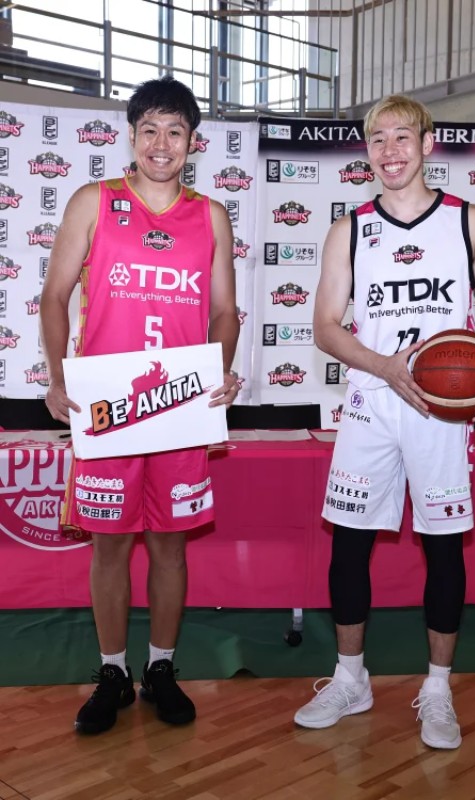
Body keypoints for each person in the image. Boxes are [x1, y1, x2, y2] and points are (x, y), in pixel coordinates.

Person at [294, 94, 475, 748]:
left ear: (426, 143)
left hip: (441, 412)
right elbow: (324, 327)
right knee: (349, 543)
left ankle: (438, 690)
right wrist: (386, 368)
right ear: (366, 151)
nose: (390, 150)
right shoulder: (349, 229)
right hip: (372, 402)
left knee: (443, 546)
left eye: (402, 137)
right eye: (377, 139)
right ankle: (350, 679)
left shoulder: (468, 221)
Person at [39, 76, 240, 735]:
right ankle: (112, 673)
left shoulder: (210, 215)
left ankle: (160, 668)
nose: (161, 143)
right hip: (108, 409)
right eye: (149, 129)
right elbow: (54, 295)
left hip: (180, 408)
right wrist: (57, 376)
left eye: (175, 131)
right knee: (109, 547)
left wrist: (219, 370)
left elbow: (224, 311)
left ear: (192, 142)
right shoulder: (94, 201)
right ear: (131, 136)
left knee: (170, 547)